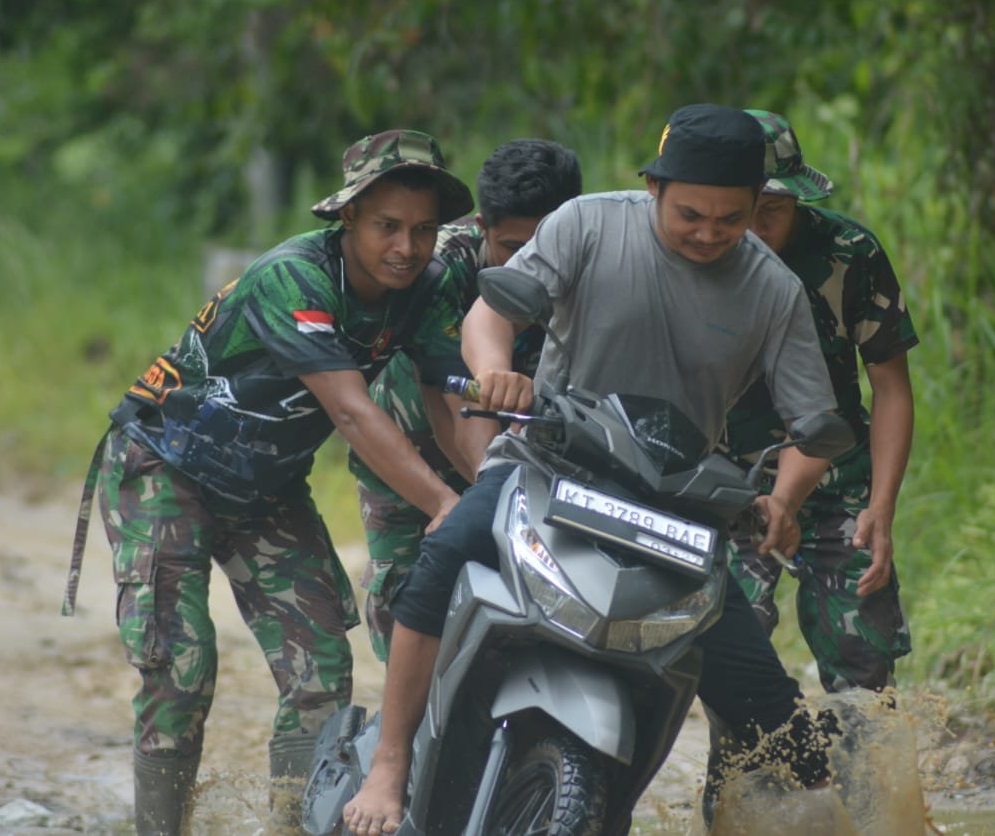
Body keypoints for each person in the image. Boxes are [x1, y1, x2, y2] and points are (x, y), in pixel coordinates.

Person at [342, 103, 842, 835]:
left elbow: (816, 429)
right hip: (546, 460)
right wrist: (493, 374)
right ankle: (390, 765)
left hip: (678, 503)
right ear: (653, 188)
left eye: (730, 219)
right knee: (441, 558)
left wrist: (785, 496)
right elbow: (491, 315)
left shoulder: (773, 289)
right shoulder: (586, 224)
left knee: (780, 718)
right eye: (691, 214)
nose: (708, 232)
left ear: (757, 207)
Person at [61, 129, 475, 835]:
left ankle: (293, 824)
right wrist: (443, 503)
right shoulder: (294, 276)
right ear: (347, 218)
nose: (407, 246)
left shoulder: (424, 290)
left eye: (424, 229)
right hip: (165, 466)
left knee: (321, 671)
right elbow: (350, 408)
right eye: (387, 227)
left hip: (267, 485)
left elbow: (443, 399)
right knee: (181, 667)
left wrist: (487, 485)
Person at [348, 139, 582, 663]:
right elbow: (449, 402)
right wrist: (489, 500)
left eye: (545, 244)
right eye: (511, 247)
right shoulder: (440, 267)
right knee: (411, 595)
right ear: (481, 228)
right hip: (416, 445)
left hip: (536, 442)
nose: (530, 264)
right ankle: (406, 737)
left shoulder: (597, 258)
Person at [723, 110, 916, 691]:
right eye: (743, 211)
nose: (756, 228)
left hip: (838, 475)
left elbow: (890, 386)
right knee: (734, 657)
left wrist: (880, 508)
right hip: (728, 482)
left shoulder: (848, 252)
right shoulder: (694, 256)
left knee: (864, 659)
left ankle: (873, 781)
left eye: (773, 212)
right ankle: (742, 781)